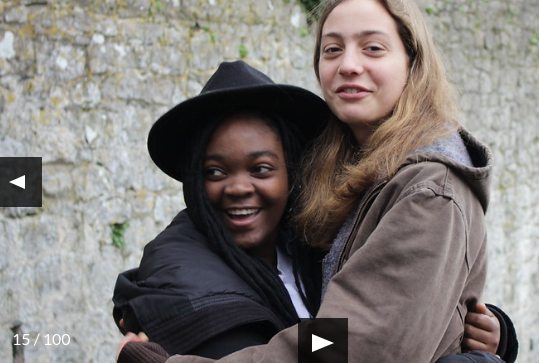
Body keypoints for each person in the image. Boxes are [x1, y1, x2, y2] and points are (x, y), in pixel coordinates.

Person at [114, 60, 514, 362]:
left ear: (293, 173)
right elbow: (322, 345)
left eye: (261, 169)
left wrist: (480, 329)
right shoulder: (185, 277)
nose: (237, 187)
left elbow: (382, 301)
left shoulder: (310, 241)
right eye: (215, 171)